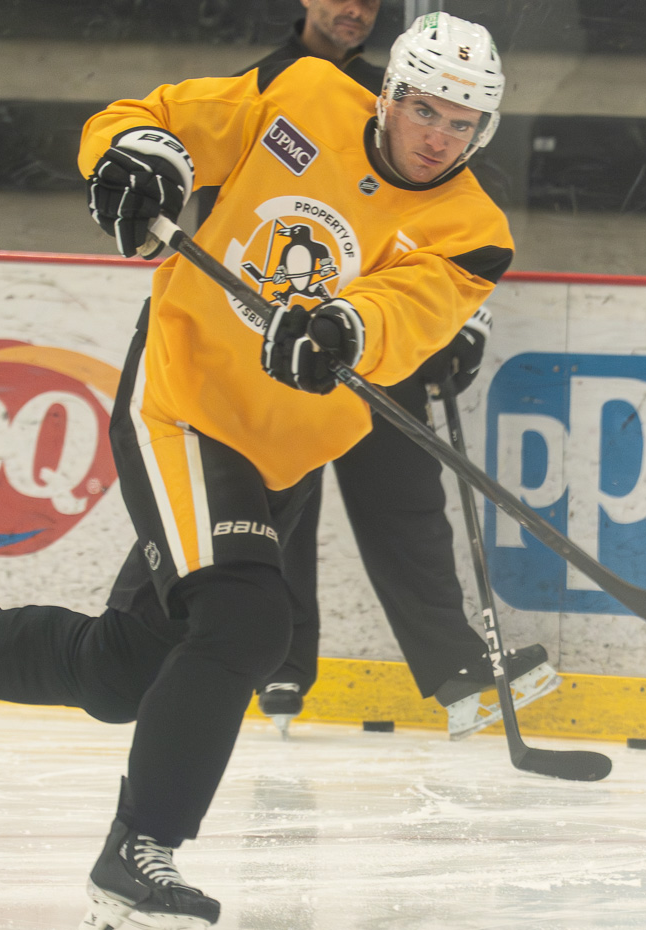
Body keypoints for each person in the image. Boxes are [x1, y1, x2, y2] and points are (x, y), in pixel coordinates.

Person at [0, 14, 519, 930]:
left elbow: (410, 310)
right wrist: (139, 156)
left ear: (483, 131)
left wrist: (343, 326)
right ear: (388, 92)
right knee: (249, 622)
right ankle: (136, 864)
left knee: (125, 672)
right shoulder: (304, 95)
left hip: (280, 454)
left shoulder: (476, 233)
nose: (436, 134)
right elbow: (147, 119)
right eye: (422, 107)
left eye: (461, 120)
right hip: (183, 400)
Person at [214, 0, 556, 740]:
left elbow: (453, 224)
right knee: (283, 513)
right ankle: (280, 662)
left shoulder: (416, 94)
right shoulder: (273, 84)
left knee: (405, 502)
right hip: (289, 346)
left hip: (380, 339)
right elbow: (226, 215)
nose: (355, 10)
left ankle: (456, 668)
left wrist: (465, 317)